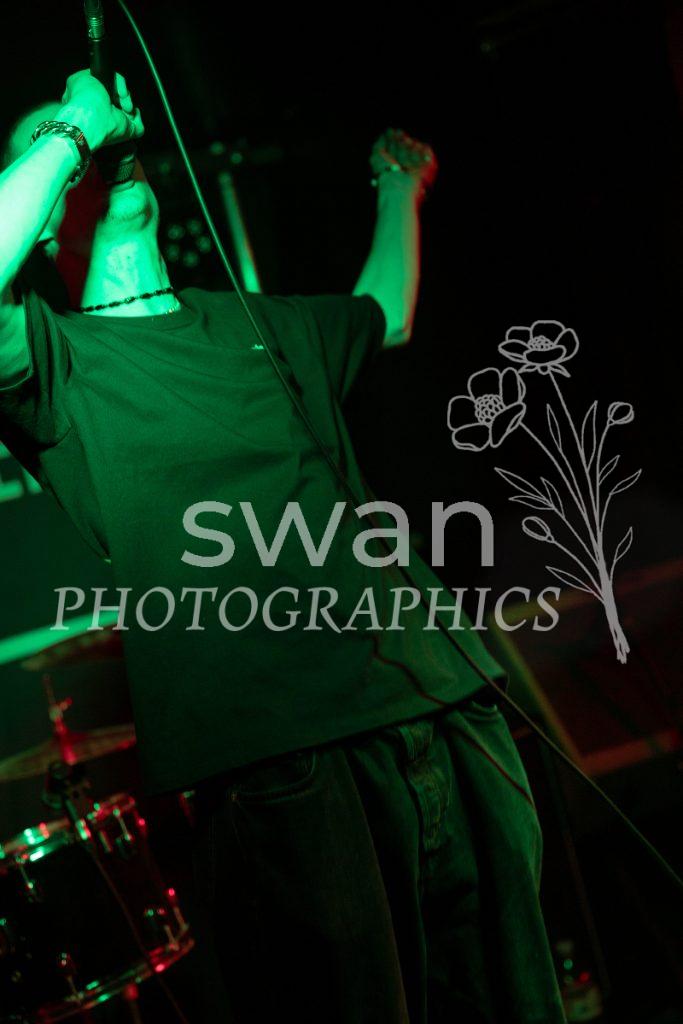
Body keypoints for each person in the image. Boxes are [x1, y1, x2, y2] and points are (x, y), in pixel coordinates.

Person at [0, 70, 566, 1022]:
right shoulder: (55, 367)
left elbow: (385, 312)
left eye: (99, 141)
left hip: (443, 704)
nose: (98, 152)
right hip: (287, 765)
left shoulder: (256, 319)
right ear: (45, 218)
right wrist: (73, 125)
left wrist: (398, 185)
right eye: (60, 152)